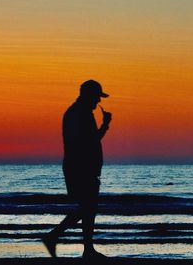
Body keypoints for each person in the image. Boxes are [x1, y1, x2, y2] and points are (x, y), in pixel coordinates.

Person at [42, 79, 112, 260]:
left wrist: (104, 125)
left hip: (83, 167)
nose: (99, 101)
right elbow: (85, 141)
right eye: (97, 97)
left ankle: (85, 248)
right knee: (88, 208)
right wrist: (104, 126)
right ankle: (54, 237)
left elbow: (92, 139)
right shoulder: (78, 113)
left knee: (88, 208)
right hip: (80, 167)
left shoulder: (80, 113)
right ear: (89, 95)